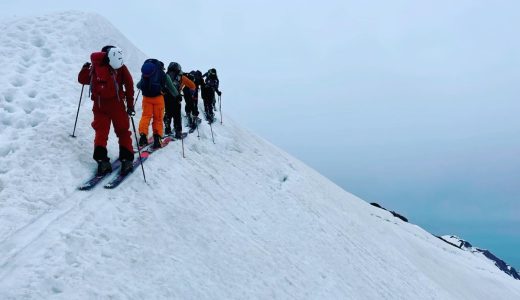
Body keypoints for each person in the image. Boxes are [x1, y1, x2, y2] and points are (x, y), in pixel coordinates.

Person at [77, 45, 135, 176]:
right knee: (123, 131)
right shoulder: (120, 66)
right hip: (117, 105)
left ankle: (102, 161)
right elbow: (129, 85)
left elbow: (82, 79)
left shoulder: (96, 66)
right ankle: (126, 160)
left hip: (99, 105)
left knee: (101, 132)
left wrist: (84, 68)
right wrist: (130, 105)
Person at [137, 59, 178, 148]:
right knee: (158, 119)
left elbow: (138, 85)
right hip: (158, 99)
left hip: (146, 98)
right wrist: (177, 95)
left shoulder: (146, 73)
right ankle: (157, 138)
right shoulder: (163, 75)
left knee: (146, 116)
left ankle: (143, 136)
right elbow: (171, 87)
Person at [164, 62, 195, 138]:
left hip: (166, 97)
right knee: (177, 115)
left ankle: (167, 129)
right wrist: (189, 92)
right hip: (176, 98)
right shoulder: (181, 77)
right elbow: (192, 85)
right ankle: (178, 132)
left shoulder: (165, 75)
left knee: (168, 113)